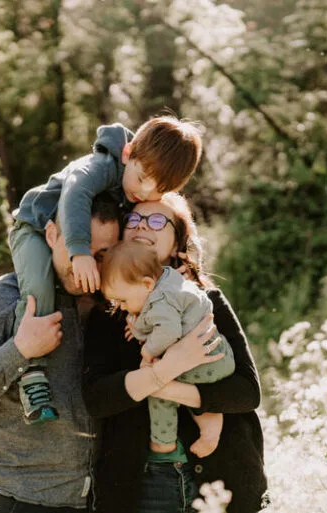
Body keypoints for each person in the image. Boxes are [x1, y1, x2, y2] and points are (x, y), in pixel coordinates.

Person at [0, 194, 220, 513]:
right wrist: (19, 350)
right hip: (17, 501)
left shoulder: (115, 303)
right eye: (78, 250)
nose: (85, 266)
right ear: (51, 235)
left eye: (102, 255)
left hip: (100, 502)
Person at [9, 116, 202, 423]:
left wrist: (182, 268)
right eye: (141, 179)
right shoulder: (100, 165)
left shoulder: (139, 184)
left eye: (157, 190)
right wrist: (79, 251)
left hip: (80, 244)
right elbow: (75, 194)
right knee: (38, 290)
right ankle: (31, 374)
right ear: (127, 154)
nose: (144, 193)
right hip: (34, 226)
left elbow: (167, 224)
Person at [83, 193, 268, 513]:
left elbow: (246, 392)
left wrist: (160, 384)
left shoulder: (205, 301)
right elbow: (98, 398)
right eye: (134, 219)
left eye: (157, 220)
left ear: (176, 243)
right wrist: (170, 367)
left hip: (222, 477)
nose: (142, 226)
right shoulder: (110, 313)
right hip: (144, 484)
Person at [99, 241, 235, 458]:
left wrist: (148, 351)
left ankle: (165, 441)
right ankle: (203, 424)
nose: (122, 307)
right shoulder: (168, 280)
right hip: (216, 354)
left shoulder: (160, 300)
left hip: (206, 360)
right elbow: (162, 320)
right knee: (163, 379)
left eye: (122, 300)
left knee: (158, 385)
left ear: (147, 284)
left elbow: (169, 331)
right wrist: (139, 329)